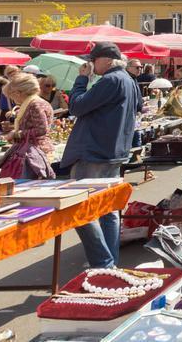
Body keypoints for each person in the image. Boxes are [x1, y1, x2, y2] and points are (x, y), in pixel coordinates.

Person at [62, 42, 141, 268]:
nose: (90, 64)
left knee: (81, 209)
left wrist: (82, 80)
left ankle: (103, 262)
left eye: (93, 60)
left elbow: (76, 106)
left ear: (105, 60)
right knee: (108, 210)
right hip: (113, 151)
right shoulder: (128, 80)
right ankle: (110, 263)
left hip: (94, 151)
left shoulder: (111, 79)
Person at [3, 73, 56, 178]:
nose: (12, 100)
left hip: (35, 153)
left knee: (28, 186)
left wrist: (16, 134)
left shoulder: (35, 104)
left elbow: (41, 130)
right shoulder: (34, 102)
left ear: (18, 93)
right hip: (35, 150)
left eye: (11, 96)